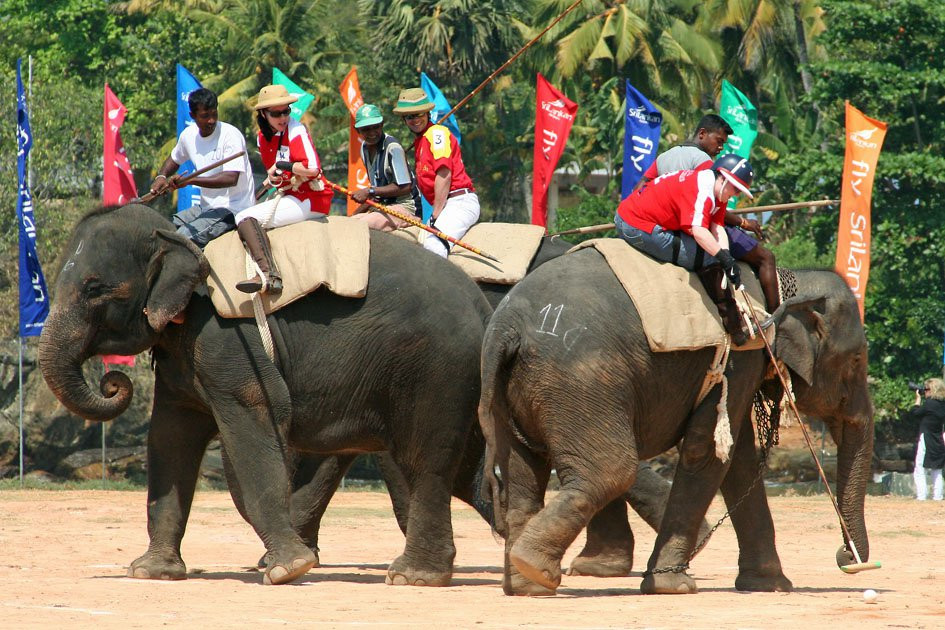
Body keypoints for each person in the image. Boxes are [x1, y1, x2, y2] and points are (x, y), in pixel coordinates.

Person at [635, 114, 780, 311]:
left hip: (667, 224)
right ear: (702, 134)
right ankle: (776, 316)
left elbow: (641, 187)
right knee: (766, 258)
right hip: (698, 224)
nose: (721, 148)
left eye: (723, 144)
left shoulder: (664, 156)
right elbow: (712, 209)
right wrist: (744, 223)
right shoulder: (705, 163)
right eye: (719, 141)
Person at [614, 153, 756, 345]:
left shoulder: (718, 191)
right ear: (723, 177)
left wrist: (727, 257)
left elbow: (717, 227)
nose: (736, 194)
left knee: (717, 255)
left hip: (641, 217)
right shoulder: (702, 190)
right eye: (736, 188)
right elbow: (699, 232)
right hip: (635, 226)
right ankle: (733, 324)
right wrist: (722, 259)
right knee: (708, 257)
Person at [234, 84, 333, 294]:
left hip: (310, 198)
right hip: (291, 196)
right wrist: (274, 177)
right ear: (263, 114)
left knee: (244, 218)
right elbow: (281, 177)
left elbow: (313, 169)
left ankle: (268, 275)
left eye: (286, 111)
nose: (283, 117)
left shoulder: (296, 130)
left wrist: (282, 166)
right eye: (276, 113)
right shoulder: (263, 138)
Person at [148, 88, 255, 247]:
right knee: (163, 229)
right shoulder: (188, 135)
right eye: (205, 116)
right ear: (192, 116)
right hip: (205, 208)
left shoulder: (231, 136)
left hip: (233, 210)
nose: (211, 120)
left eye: (214, 114)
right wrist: (161, 177)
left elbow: (231, 178)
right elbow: (174, 158)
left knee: (179, 239)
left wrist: (190, 180)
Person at [393, 87, 479, 258]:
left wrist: (436, 213)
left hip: (458, 201)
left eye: (419, 114)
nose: (415, 119)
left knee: (434, 244)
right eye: (410, 116)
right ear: (404, 119)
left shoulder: (437, 133)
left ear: (427, 113)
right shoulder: (421, 141)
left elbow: (444, 174)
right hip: (447, 205)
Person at [349, 103, 421, 231]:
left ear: (382, 125)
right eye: (366, 129)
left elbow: (405, 187)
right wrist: (352, 215)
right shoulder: (364, 148)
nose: (372, 133)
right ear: (357, 130)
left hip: (405, 207)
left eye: (375, 127)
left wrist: (369, 191)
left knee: (359, 227)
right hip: (382, 206)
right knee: (349, 222)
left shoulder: (393, 148)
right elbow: (376, 196)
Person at [907, 378, 945, 501]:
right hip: (939, 439)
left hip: (926, 438)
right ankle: (937, 496)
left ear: (933, 390)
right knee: (937, 469)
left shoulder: (929, 404)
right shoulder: (942, 405)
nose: (925, 391)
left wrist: (917, 400)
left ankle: (921, 496)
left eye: (926, 389)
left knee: (919, 467)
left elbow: (915, 413)